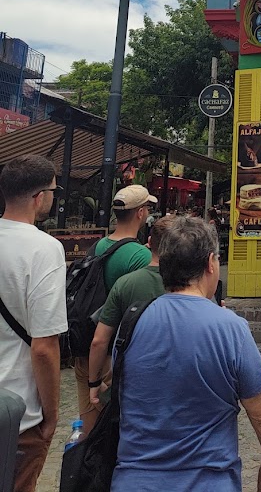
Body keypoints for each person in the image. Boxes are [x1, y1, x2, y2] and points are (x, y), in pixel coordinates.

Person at [111, 217, 261, 491]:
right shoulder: (230, 327)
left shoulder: (131, 323)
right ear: (210, 263)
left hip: (134, 480)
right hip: (208, 481)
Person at [0, 155, 67, 492]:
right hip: (18, 414)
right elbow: (44, 347)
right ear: (40, 196)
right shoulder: (45, 249)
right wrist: (52, 416)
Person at [74, 183, 156, 435]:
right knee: (116, 427)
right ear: (141, 213)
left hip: (88, 346)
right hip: (117, 353)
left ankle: (83, 468)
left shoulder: (96, 247)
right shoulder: (140, 257)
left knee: (89, 419)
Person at [87, 217, 173, 404]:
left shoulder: (126, 283)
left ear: (149, 243)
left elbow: (99, 340)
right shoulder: (193, 285)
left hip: (133, 375)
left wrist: (93, 381)